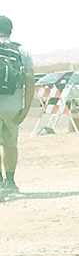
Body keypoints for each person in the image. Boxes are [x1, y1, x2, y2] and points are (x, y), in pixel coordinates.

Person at [0, 15, 36, 193]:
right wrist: (26, 109)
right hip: (13, 106)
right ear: (11, 31)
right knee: (10, 144)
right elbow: (30, 81)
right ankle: (10, 181)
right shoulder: (22, 51)